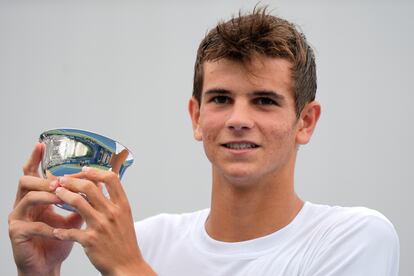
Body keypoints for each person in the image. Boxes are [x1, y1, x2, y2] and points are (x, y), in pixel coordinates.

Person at [8, 7, 399, 276]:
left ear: (306, 121)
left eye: (264, 101)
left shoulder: (353, 237)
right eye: (221, 99)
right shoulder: (146, 239)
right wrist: (43, 272)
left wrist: (127, 267)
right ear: (196, 116)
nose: (238, 120)